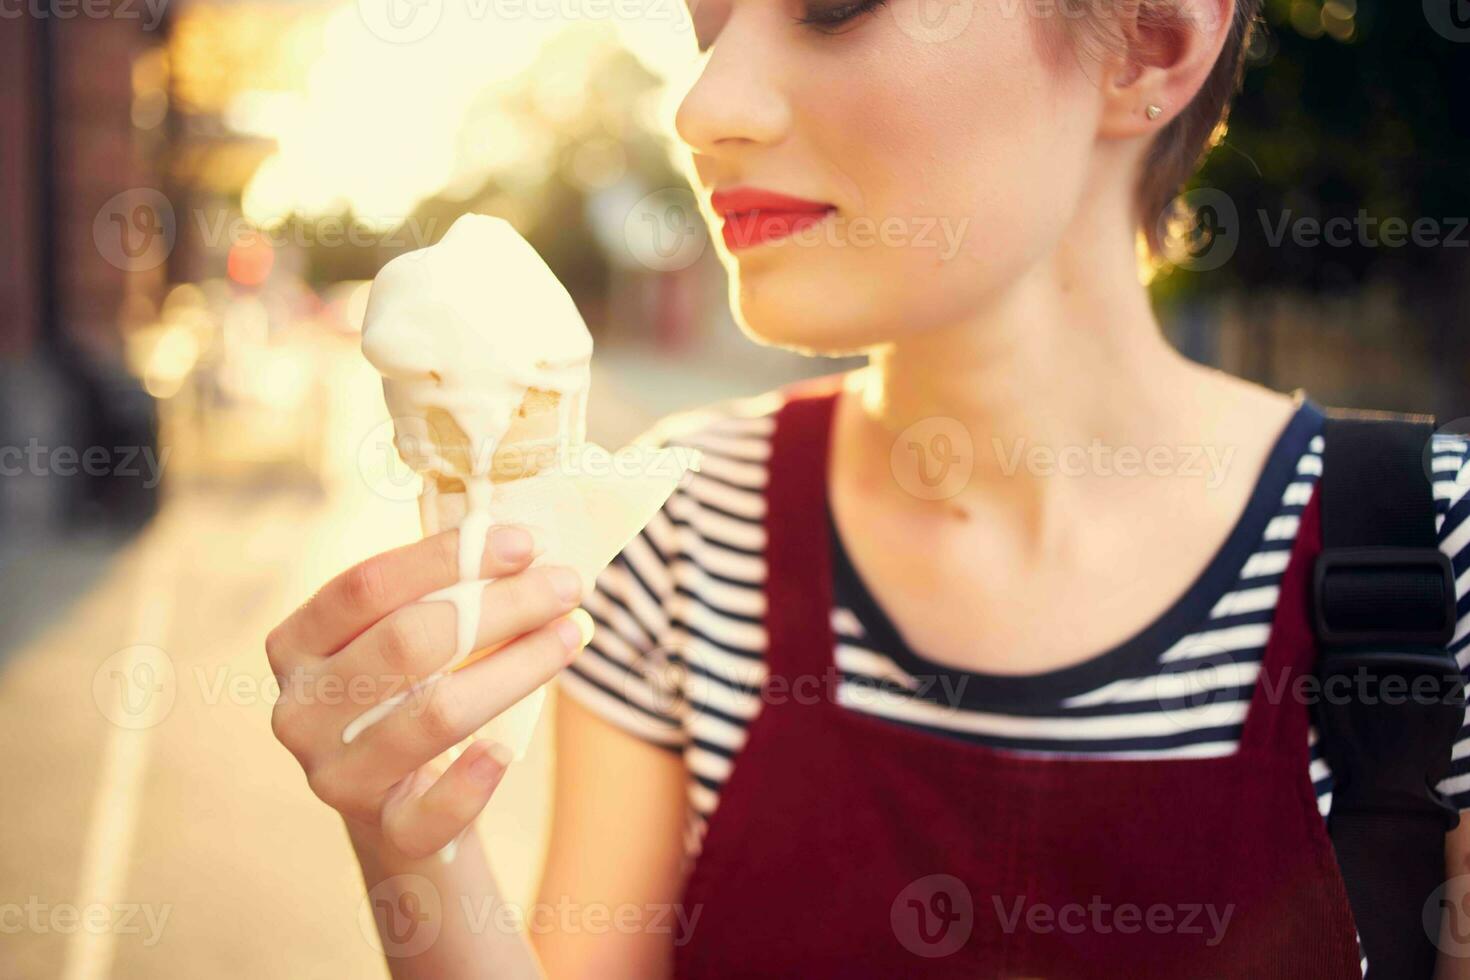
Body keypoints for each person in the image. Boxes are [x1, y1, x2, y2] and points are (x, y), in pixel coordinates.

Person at [265, 0, 1470, 975]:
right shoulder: (678, 528)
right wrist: (411, 840)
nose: (702, 105)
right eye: (709, 20)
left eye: (834, 8)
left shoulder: (1437, 557)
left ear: (1151, 39)